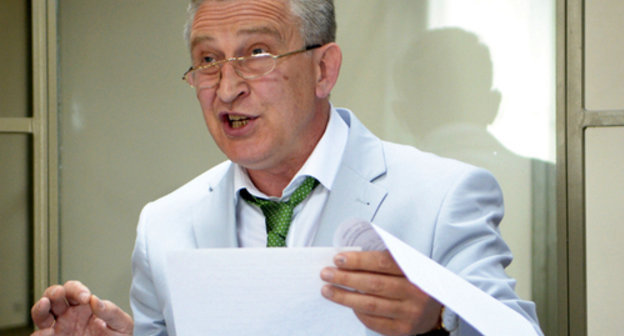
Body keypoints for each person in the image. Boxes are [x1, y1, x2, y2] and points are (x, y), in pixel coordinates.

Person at [30, 0, 542, 335]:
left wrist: (439, 322)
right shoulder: (163, 223)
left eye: (257, 53)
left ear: (324, 69)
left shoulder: (441, 196)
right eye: (208, 60)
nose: (227, 88)